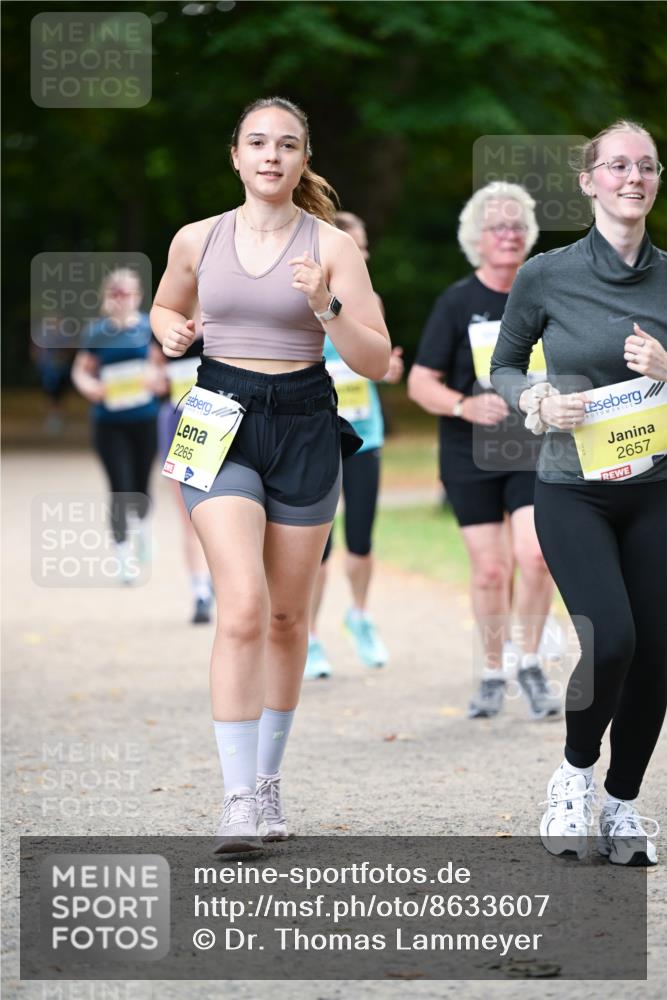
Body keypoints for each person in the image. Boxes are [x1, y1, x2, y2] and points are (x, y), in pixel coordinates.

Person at [150, 96, 390, 851]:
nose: (271, 156)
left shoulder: (331, 246)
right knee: (244, 607)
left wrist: (326, 305)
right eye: (257, 143)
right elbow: (164, 308)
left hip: (305, 421)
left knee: (288, 618)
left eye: (287, 144)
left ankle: (266, 783)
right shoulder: (197, 238)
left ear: (303, 158)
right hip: (219, 415)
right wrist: (171, 329)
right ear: (236, 155)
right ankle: (234, 802)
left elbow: (375, 359)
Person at [491, 121, 667, 865]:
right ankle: (573, 774)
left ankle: (622, 804)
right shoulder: (546, 275)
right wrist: (537, 400)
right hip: (574, 490)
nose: (634, 177)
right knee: (613, 638)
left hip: (656, 489)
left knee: (657, 651)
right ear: (588, 180)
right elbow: (503, 367)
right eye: (618, 166)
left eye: (647, 166)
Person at [408, 182, 560, 720]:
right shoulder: (457, 302)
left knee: (536, 556)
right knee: (491, 570)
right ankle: (494, 670)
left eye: (517, 226)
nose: (509, 234)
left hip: (533, 447)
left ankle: (532, 663)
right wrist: (463, 406)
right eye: (497, 226)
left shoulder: (545, 296)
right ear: (477, 237)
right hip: (469, 452)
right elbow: (419, 383)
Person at [306, 211, 404, 677]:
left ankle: (360, 617)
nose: (363, 254)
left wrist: (389, 370)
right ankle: (309, 637)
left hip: (365, 434)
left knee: (361, 539)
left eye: (364, 246)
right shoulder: (302, 300)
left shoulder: (371, 299)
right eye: (355, 246)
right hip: (316, 435)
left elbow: (377, 361)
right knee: (319, 544)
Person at [71, 268, 162, 582]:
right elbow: (81, 371)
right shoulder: (97, 332)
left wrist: (155, 379)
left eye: (127, 292)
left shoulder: (149, 328)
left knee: (142, 486)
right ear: (107, 296)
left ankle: (143, 529)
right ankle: (124, 557)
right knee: (120, 488)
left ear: (137, 296)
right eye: (116, 293)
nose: (122, 298)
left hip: (145, 419)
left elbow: (161, 368)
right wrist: (89, 387)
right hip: (109, 423)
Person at [155, 310, 214, 624]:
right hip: (179, 423)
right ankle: (201, 591)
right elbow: (153, 377)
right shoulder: (165, 322)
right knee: (189, 516)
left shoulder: (229, 316)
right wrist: (157, 380)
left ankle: (221, 579)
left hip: (220, 422)